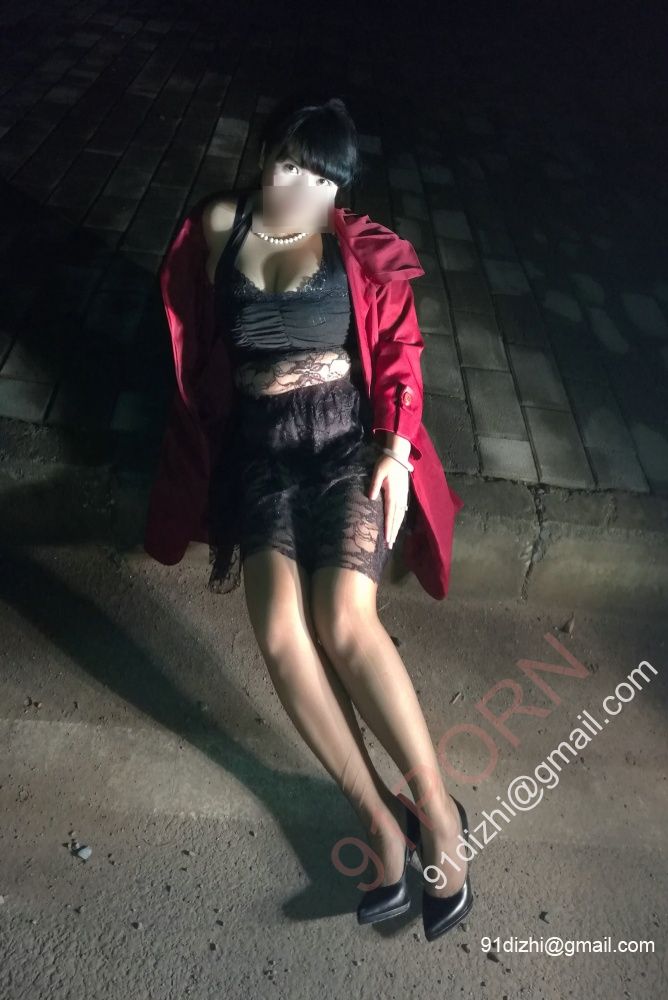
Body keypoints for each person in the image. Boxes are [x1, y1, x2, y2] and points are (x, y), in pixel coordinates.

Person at [147, 89, 472, 940]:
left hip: (342, 443)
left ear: (339, 188)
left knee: (342, 620)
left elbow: (398, 348)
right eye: (289, 165)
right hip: (260, 452)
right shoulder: (217, 226)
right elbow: (191, 336)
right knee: (280, 633)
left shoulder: (353, 246)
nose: (302, 189)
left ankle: (438, 813)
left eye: (323, 178)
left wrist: (394, 448)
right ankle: (380, 824)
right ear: (263, 155)